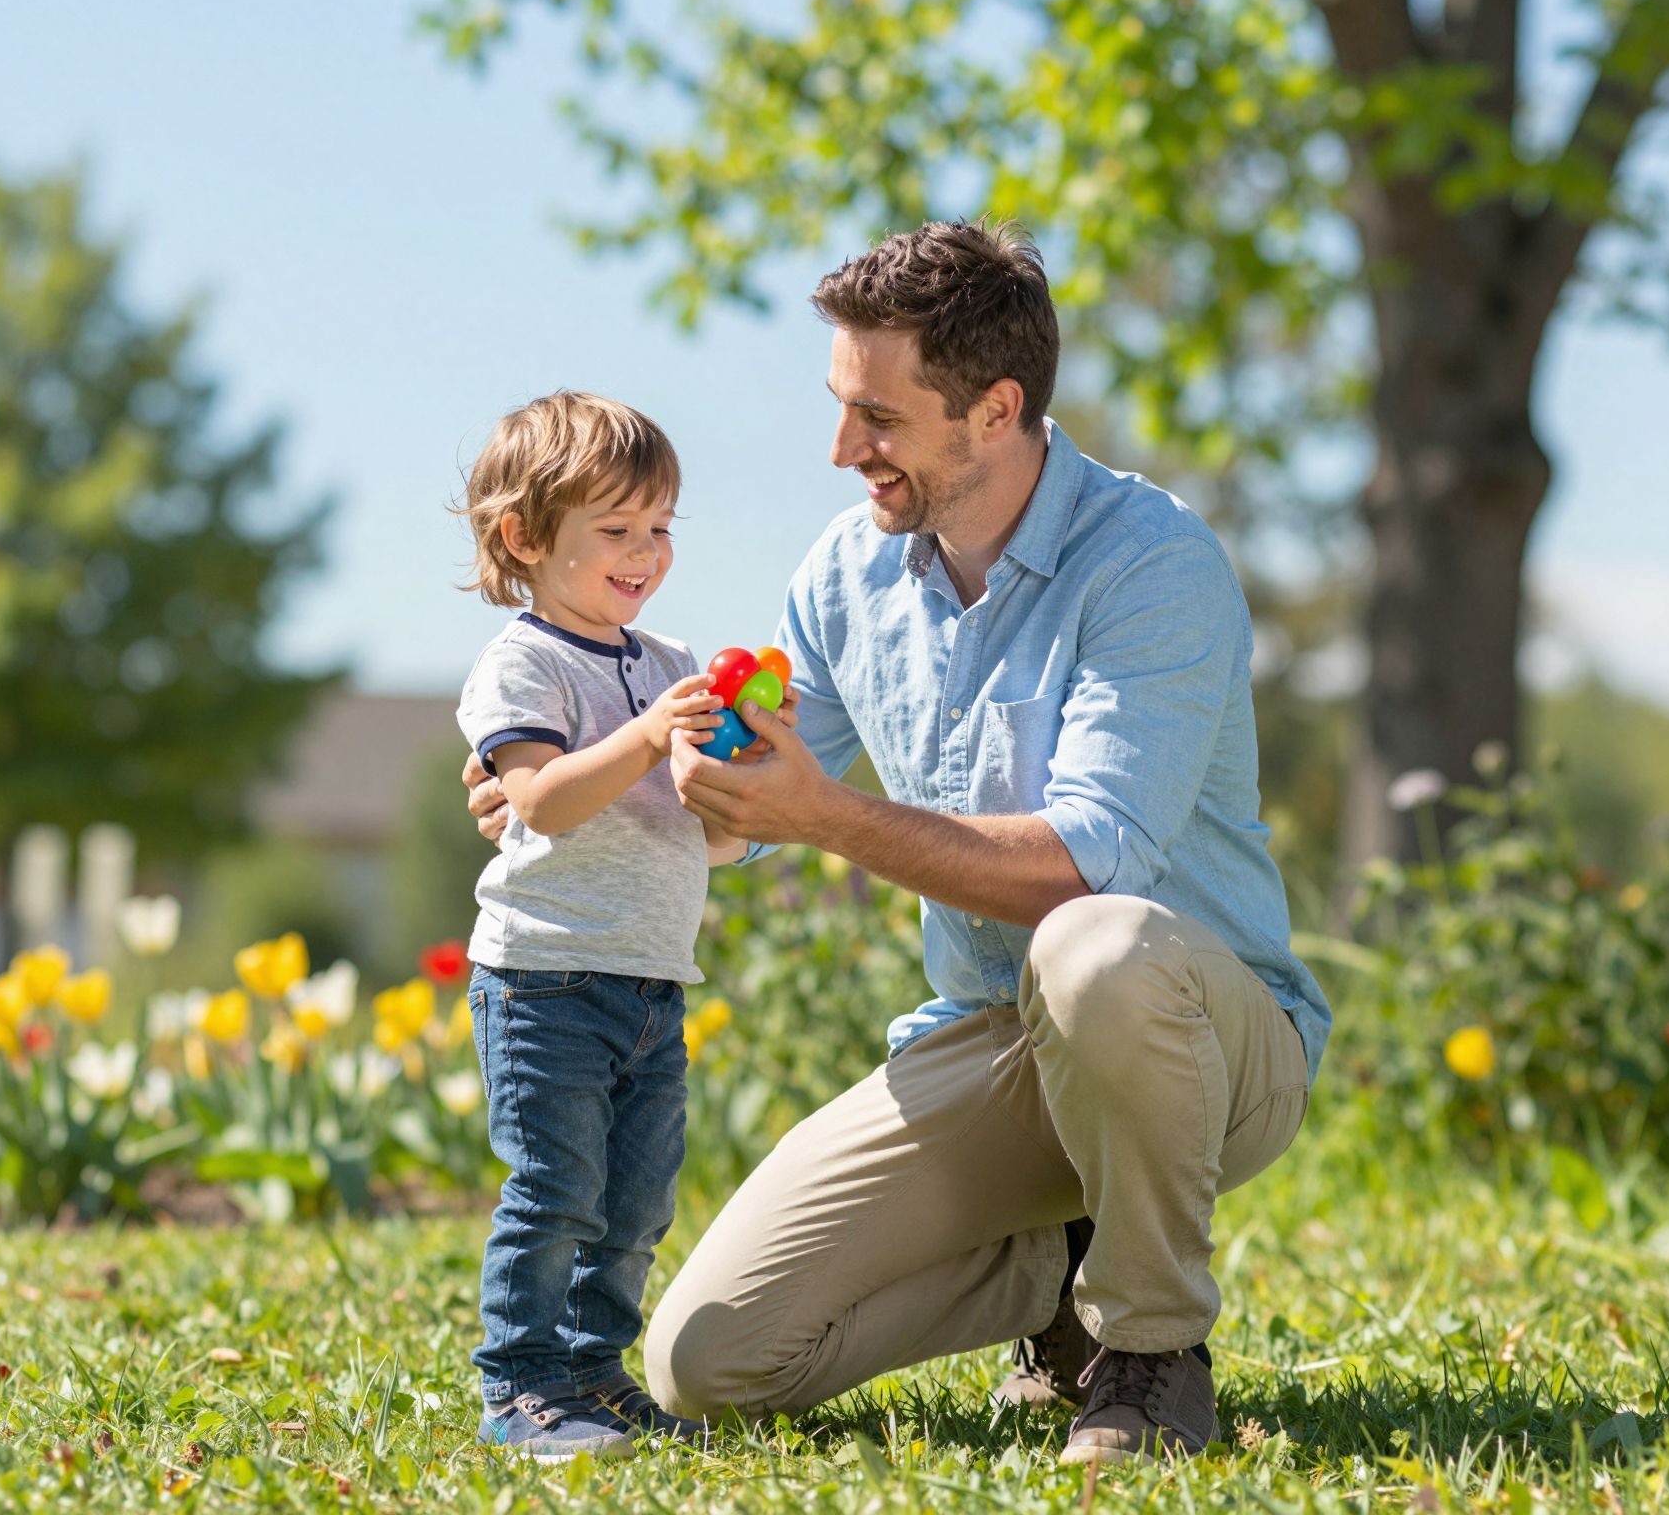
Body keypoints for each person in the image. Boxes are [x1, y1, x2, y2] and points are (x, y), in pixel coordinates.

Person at [464, 224, 1332, 1465]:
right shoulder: (847, 577)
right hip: (991, 1045)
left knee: (1091, 946)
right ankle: (1057, 1290)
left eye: (875, 416)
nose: (838, 449)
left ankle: (1148, 1354)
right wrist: (553, 768)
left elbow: (1084, 865)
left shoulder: (1151, 567)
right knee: (707, 1360)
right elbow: (737, 795)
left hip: (1199, 1040)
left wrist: (828, 815)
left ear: (993, 409)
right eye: (837, 407)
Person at [452, 391, 790, 1461]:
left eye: (659, 528)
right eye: (615, 530)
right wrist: (651, 733)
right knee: (555, 1192)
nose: (644, 553)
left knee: (636, 1203)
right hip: (544, 981)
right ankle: (520, 1384)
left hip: (650, 981)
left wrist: (738, 781)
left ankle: (591, 1371)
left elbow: (701, 832)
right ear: (524, 537)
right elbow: (539, 804)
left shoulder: (665, 657)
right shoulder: (523, 664)